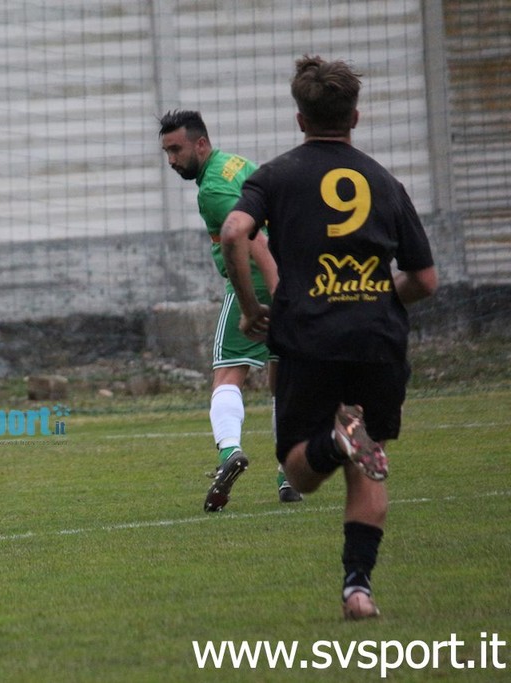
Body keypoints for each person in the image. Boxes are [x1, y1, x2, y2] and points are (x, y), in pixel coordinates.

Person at [220, 56, 437, 619]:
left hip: (309, 338)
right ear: (355, 117)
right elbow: (424, 280)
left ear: (300, 119)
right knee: (370, 459)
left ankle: (337, 441)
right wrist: (378, 297)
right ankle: (358, 588)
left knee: (299, 470)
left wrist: (252, 308)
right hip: (377, 340)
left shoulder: (276, 176)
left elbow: (234, 231)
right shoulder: (386, 182)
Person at [159, 110, 302, 512]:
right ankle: (288, 474)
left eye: (177, 150)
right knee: (282, 379)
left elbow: (251, 240)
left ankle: (229, 452)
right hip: (292, 273)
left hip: (257, 282)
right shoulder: (235, 164)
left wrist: (266, 297)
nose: (171, 160)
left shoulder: (212, 190)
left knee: (227, 374)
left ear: (201, 144)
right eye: (167, 152)